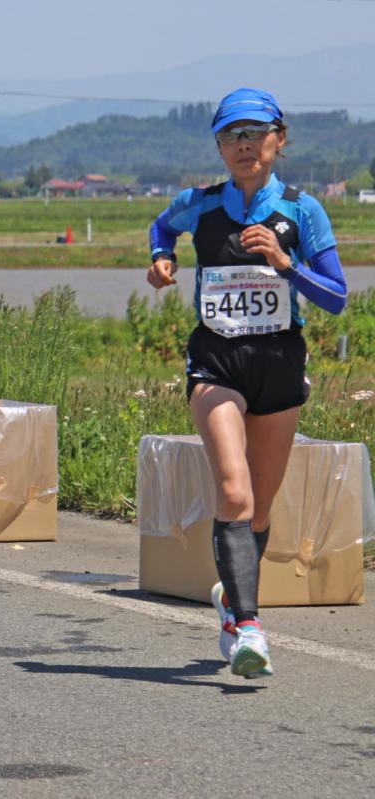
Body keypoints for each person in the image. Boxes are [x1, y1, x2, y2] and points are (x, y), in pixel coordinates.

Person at [147, 88, 347, 678]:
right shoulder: (199, 204)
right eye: (232, 136)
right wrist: (162, 261)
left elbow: (336, 298)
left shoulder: (303, 211)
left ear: (278, 141)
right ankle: (249, 628)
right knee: (233, 494)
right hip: (217, 361)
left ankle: (232, 602)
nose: (244, 146)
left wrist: (289, 266)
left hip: (280, 362)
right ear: (218, 145)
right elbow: (162, 228)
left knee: (258, 511)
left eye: (256, 135)